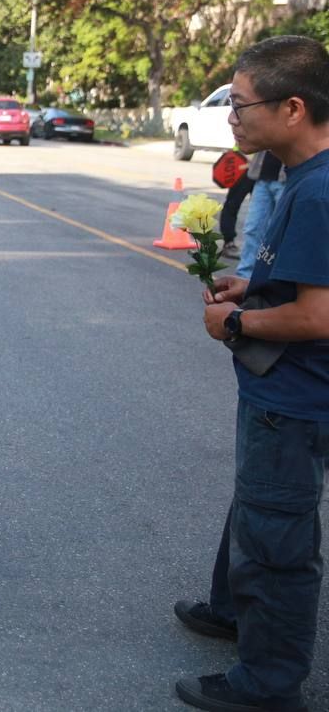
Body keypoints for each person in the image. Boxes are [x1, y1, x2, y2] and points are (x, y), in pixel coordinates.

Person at [177, 35, 329, 712]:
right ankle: (232, 607)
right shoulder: (303, 176)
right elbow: (303, 282)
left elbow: (319, 315)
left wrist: (236, 323)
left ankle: (269, 683)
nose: (231, 117)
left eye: (241, 105)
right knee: (258, 506)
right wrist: (252, 287)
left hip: (295, 399)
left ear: (292, 108)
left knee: (277, 539)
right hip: (285, 394)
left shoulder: (317, 190)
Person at [236, 150, 285, 280]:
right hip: (262, 177)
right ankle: (244, 277)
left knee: (281, 232)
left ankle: (277, 279)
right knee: (253, 228)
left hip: (286, 179)